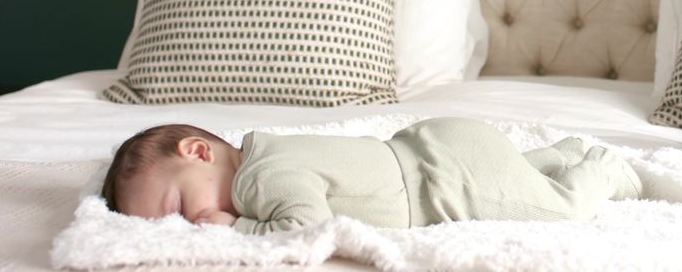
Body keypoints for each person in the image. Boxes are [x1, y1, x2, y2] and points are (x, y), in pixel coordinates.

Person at [101, 117, 642, 234]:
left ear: (198, 152)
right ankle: (557, 155)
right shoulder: (265, 153)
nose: (187, 227)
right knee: (516, 182)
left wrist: (234, 228)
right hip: (440, 148)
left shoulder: (261, 179)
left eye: (175, 210)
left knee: (560, 211)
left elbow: (305, 227)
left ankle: (597, 166)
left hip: (443, 179)